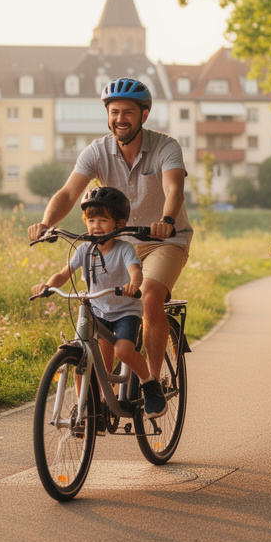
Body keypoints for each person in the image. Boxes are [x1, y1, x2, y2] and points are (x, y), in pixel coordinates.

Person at [28, 77, 191, 390]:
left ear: (144, 115)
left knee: (149, 296)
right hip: (116, 243)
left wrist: (167, 220)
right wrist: (46, 224)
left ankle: (151, 383)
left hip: (164, 240)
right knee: (102, 314)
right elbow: (68, 193)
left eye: (128, 112)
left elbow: (174, 188)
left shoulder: (165, 147)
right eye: (114, 112)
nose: (120, 119)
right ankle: (98, 402)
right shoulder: (97, 151)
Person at [32, 187, 166, 418]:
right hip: (98, 311)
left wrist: (133, 285)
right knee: (84, 359)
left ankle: (149, 383)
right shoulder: (84, 249)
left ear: (119, 224)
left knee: (124, 351)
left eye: (103, 220)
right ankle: (86, 407)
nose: (96, 225)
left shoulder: (124, 249)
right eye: (91, 220)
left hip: (125, 312)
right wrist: (47, 286)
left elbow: (135, 271)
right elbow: (63, 274)